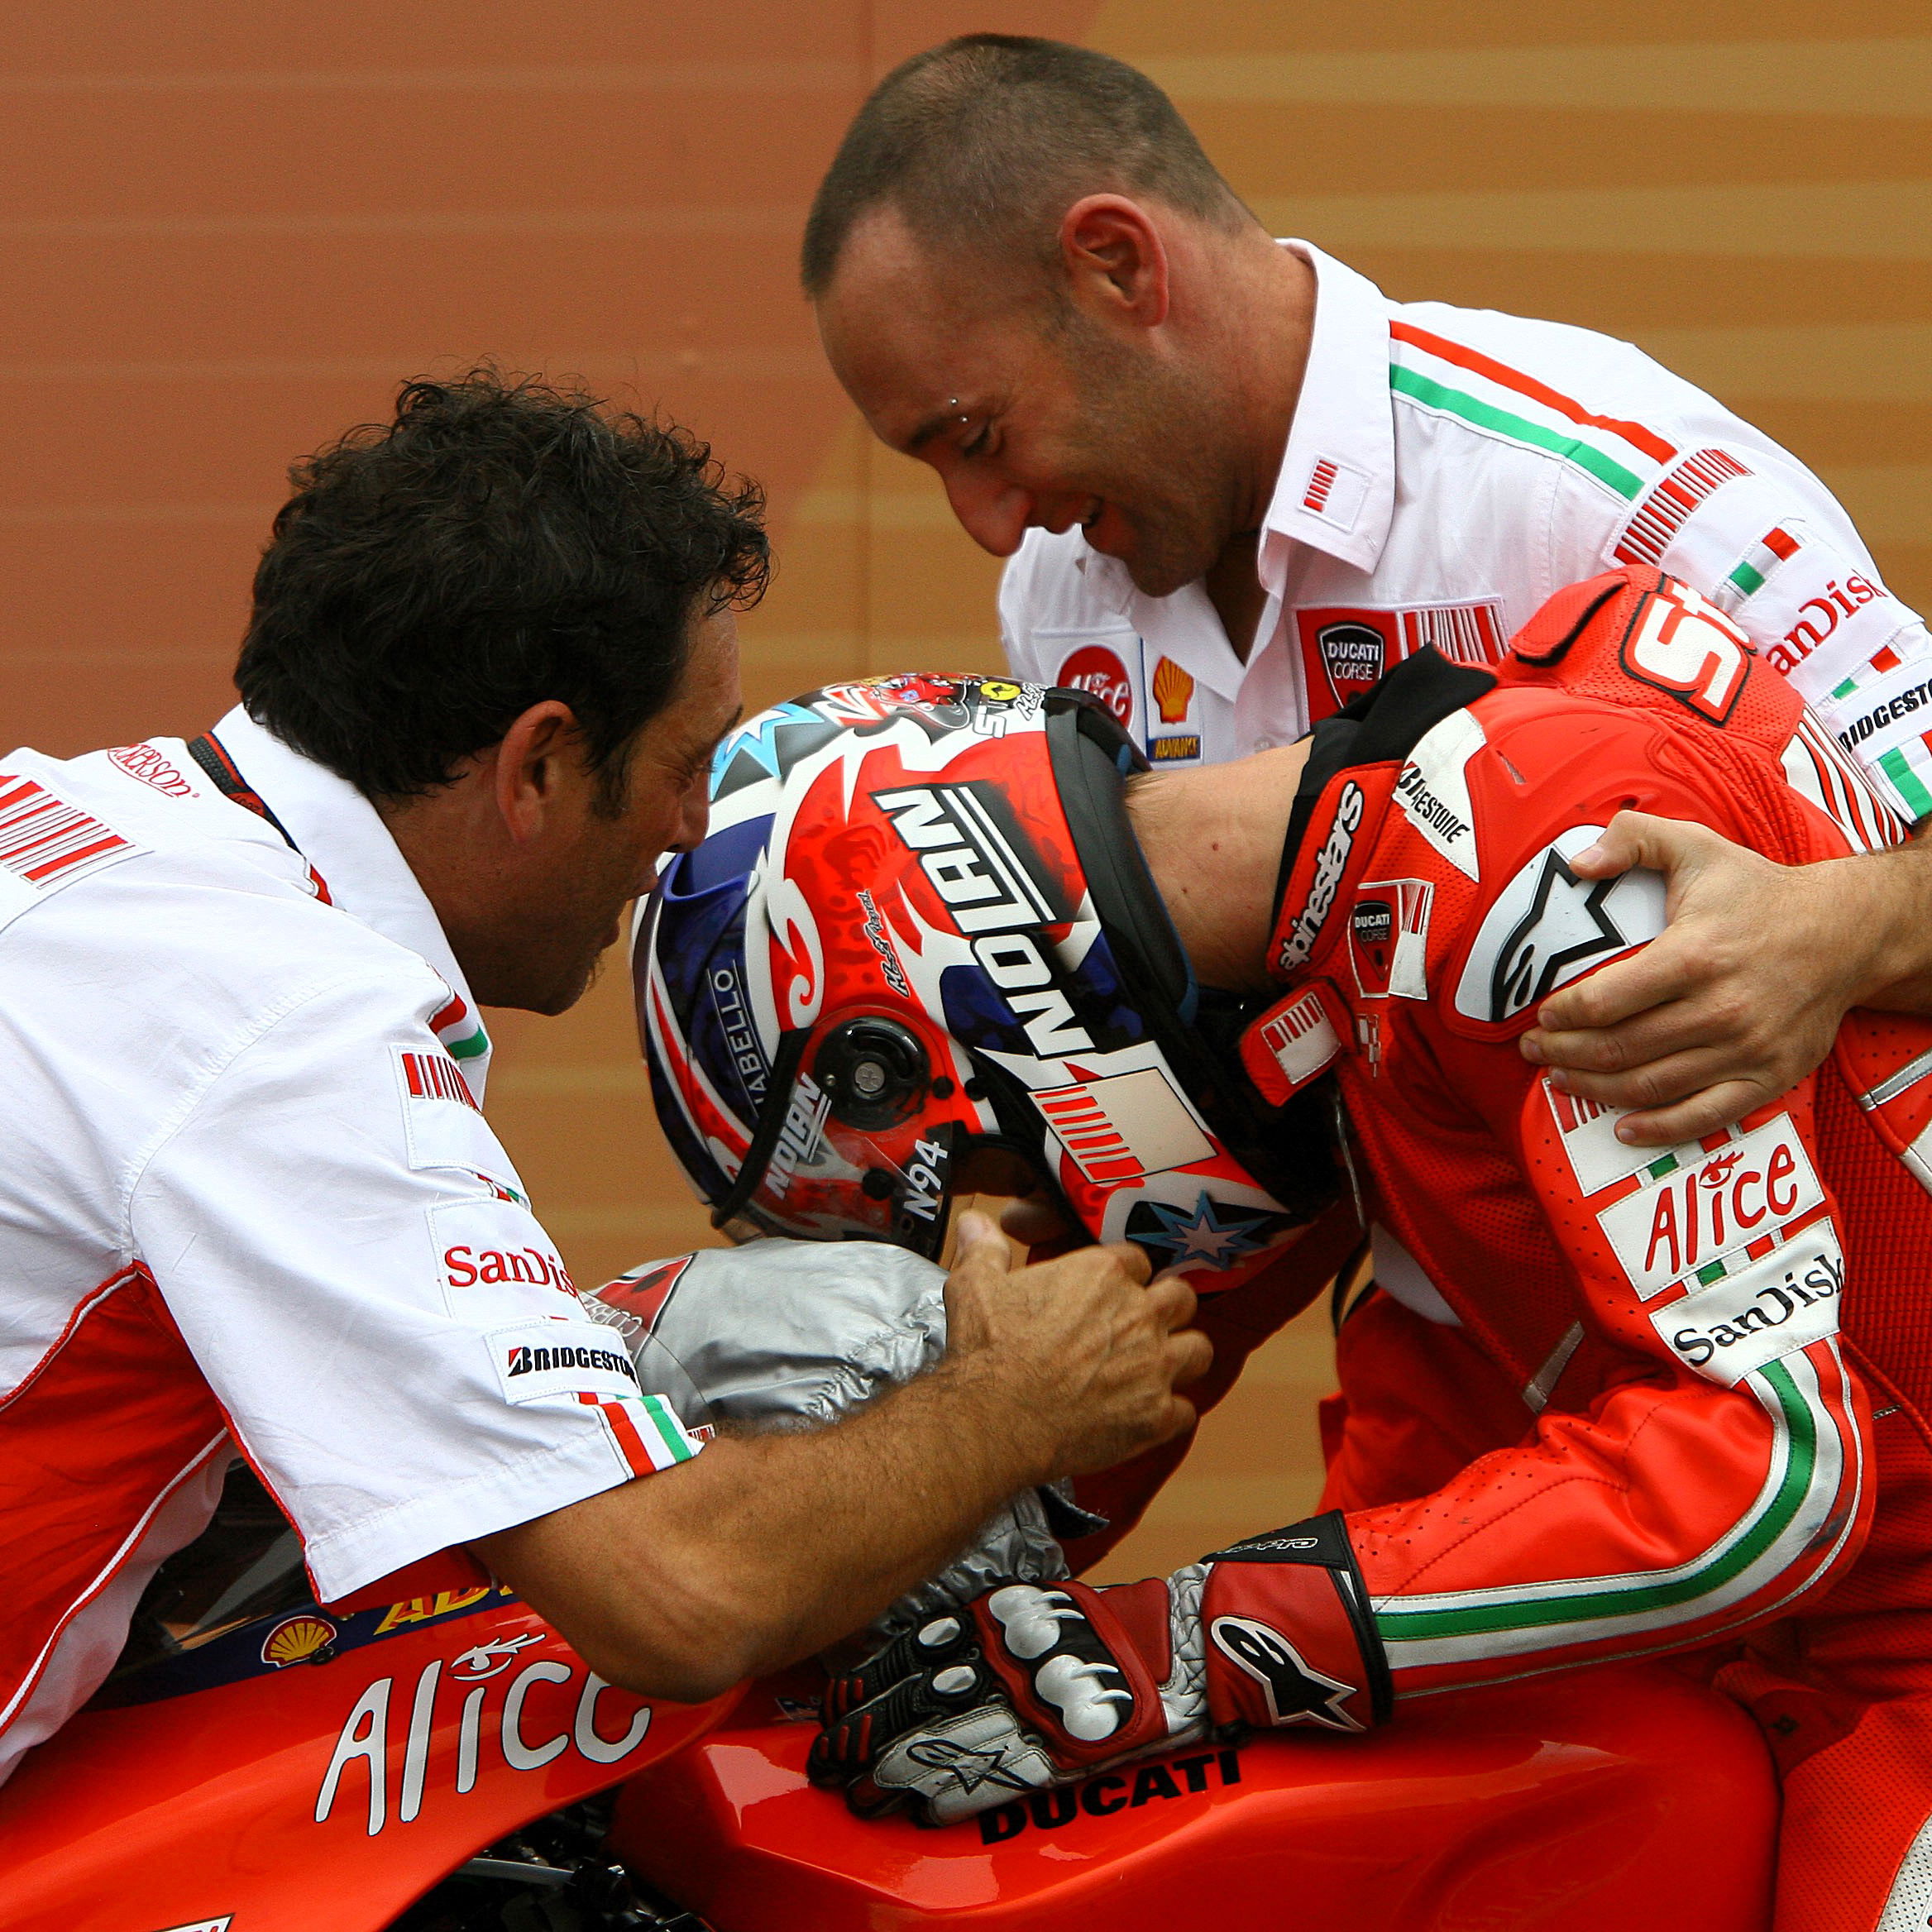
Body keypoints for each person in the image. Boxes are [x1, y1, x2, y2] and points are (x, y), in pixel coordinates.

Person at [643, 572, 1932, 1927]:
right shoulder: (1335, 922)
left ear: (968, 1015)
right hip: (1793, 1650)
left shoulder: (1537, 866)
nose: (1017, 1245)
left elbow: (1771, 1472)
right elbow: (1131, 1410)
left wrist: (1194, 1642)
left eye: (984, 1193)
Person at [0, 371, 1206, 1788]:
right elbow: (677, 1598)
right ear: (540, 765)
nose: (693, 829)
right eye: (688, 765)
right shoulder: (292, 1030)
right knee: (825, 1359)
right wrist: (1017, 1401)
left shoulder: (73, 810)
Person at [801, 32, 1932, 1151]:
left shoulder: (1595, 487)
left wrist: (1831, 934)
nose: (988, 524)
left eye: (977, 436)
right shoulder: (1055, 591)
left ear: (1118, 264)